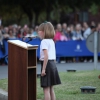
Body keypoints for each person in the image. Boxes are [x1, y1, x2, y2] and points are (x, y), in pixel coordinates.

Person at [38, 22, 61, 100]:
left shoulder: (44, 41)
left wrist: (43, 69)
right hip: (52, 65)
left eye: (39, 31)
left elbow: (46, 56)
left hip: (47, 65)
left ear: (43, 32)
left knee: (46, 89)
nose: (38, 33)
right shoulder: (51, 41)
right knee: (51, 88)